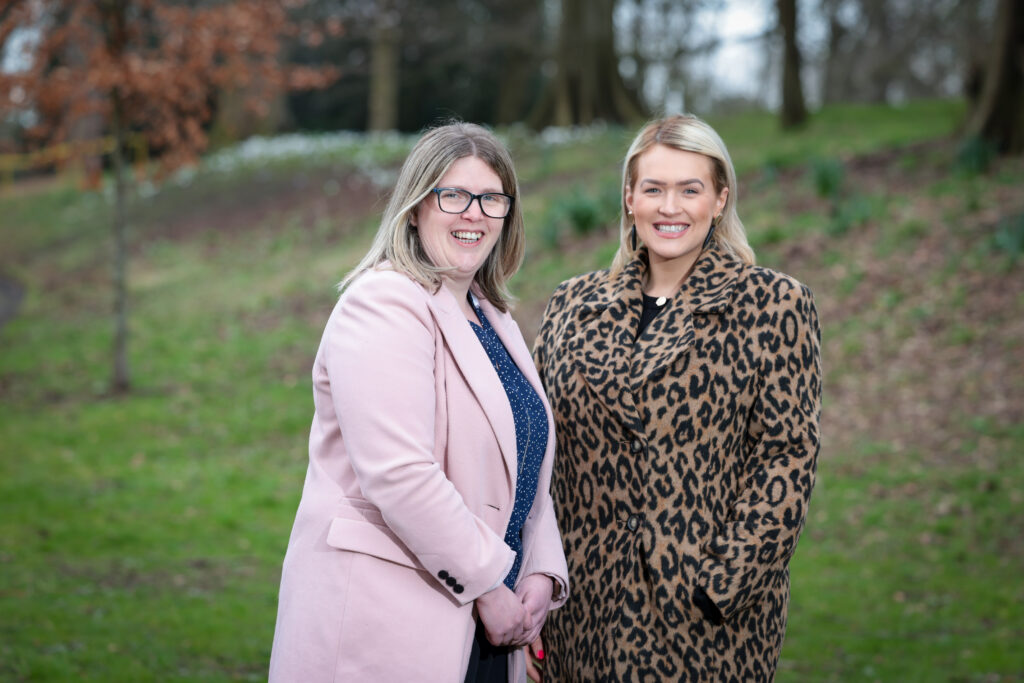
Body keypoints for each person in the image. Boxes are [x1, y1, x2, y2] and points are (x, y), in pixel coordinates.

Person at [269, 122, 568, 683]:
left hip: (492, 623)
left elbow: (524, 464)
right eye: (452, 195)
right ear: (414, 208)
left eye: (491, 199)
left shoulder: (492, 317)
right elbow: (400, 474)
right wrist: (488, 584)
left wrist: (542, 573)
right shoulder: (383, 303)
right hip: (391, 620)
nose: (473, 213)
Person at [529, 114, 822, 682]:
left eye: (690, 189)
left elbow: (786, 459)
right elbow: (536, 453)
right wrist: (532, 591)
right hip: (578, 613)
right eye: (654, 189)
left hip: (705, 624)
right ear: (629, 199)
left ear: (719, 199)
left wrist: (721, 588)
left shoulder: (774, 304)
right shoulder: (571, 302)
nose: (671, 207)